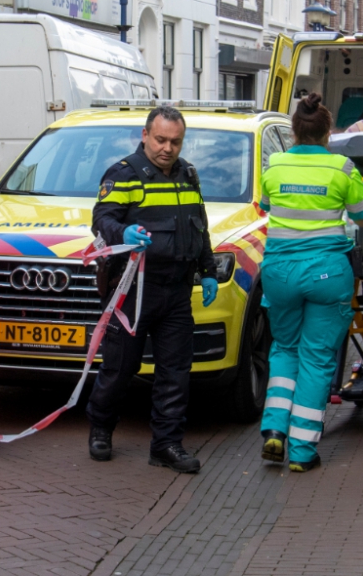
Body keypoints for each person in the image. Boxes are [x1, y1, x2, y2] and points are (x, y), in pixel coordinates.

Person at [86, 105, 218, 475]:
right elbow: (102, 218)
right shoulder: (123, 174)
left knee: (175, 371)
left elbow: (199, 227)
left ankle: (166, 445)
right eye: (160, 139)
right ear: (145, 135)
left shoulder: (188, 175)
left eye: (175, 141)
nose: (167, 148)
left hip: (176, 291)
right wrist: (122, 234)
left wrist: (207, 270)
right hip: (132, 289)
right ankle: (100, 427)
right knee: (120, 367)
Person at [257, 93, 363, 473]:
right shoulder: (342, 168)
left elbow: (265, 207)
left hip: (279, 274)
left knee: (284, 349)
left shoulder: (274, 165)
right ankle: (304, 451)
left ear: (294, 131)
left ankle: (274, 430)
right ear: (328, 133)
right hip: (325, 272)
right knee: (316, 358)